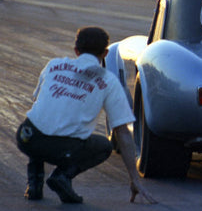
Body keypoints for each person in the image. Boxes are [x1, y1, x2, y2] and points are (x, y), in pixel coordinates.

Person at [16, 26, 157, 205]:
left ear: (76, 50)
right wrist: (135, 179)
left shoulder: (54, 65)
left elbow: (39, 104)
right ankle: (62, 176)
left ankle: (34, 182)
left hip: (26, 137)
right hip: (62, 148)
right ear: (105, 53)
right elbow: (122, 132)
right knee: (104, 146)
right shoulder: (108, 81)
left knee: (43, 120)